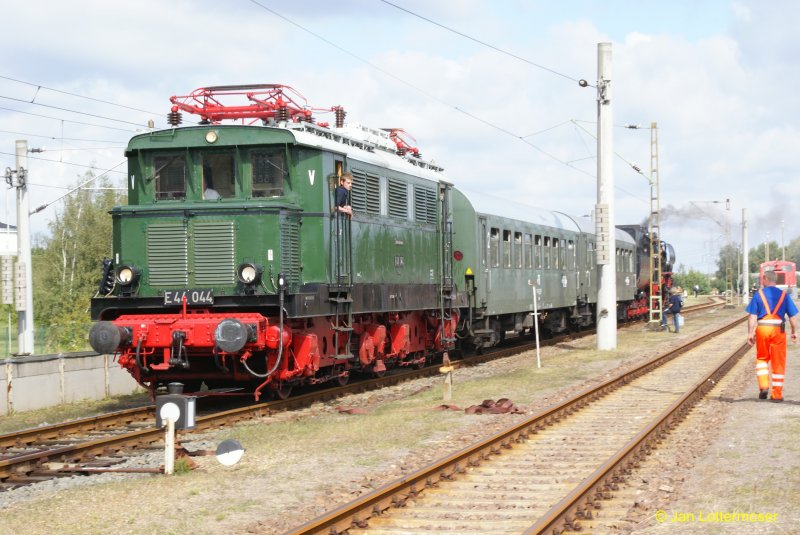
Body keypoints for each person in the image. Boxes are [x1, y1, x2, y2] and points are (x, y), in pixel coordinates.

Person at [746, 270, 798, 402]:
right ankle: (776, 395)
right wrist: (794, 331)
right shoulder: (784, 296)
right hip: (778, 331)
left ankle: (763, 386)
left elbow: (752, 316)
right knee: (778, 362)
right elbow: (793, 317)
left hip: (762, 328)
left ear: (765, 279)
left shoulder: (759, 295)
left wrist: (750, 333)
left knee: (762, 358)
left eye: (762, 280)